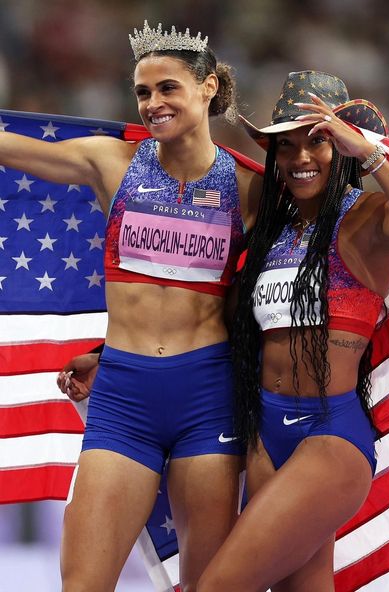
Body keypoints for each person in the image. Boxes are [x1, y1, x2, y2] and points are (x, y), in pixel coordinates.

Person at [0, 21, 262, 592]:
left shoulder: (250, 188)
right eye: (143, 93)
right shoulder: (110, 163)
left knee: (206, 585)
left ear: (209, 87)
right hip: (124, 397)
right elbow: (10, 147)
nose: (153, 103)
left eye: (168, 87)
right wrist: (102, 351)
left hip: (208, 398)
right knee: (84, 583)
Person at [196, 70, 389, 592]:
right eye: (285, 146)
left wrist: (372, 157)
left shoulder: (369, 215)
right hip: (263, 433)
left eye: (318, 141)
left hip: (330, 435)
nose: (300, 158)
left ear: (343, 147)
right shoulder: (269, 231)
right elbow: (216, 325)